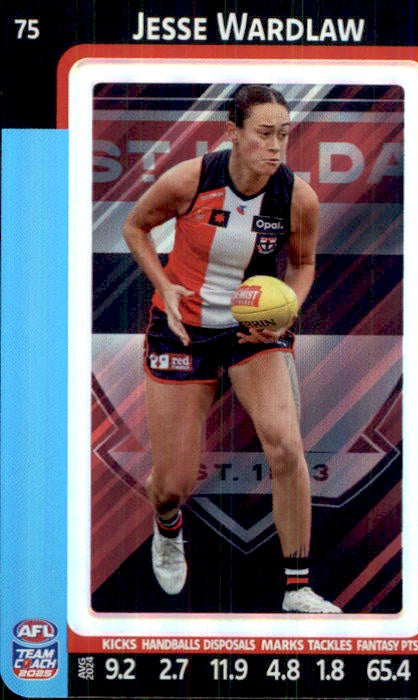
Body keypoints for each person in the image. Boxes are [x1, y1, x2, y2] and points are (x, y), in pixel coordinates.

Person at [123, 84, 341, 613]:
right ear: (233, 133)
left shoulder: (297, 197)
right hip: (183, 329)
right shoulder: (190, 180)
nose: (275, 146)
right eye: (264, 134)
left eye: (283, 134)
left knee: (286, 447)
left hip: (251, 331)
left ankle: (297, 588)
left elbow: (303, 264)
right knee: (173, 484)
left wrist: (286, 312)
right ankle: (167, 524)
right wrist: (164, 284)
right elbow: (135, 227)